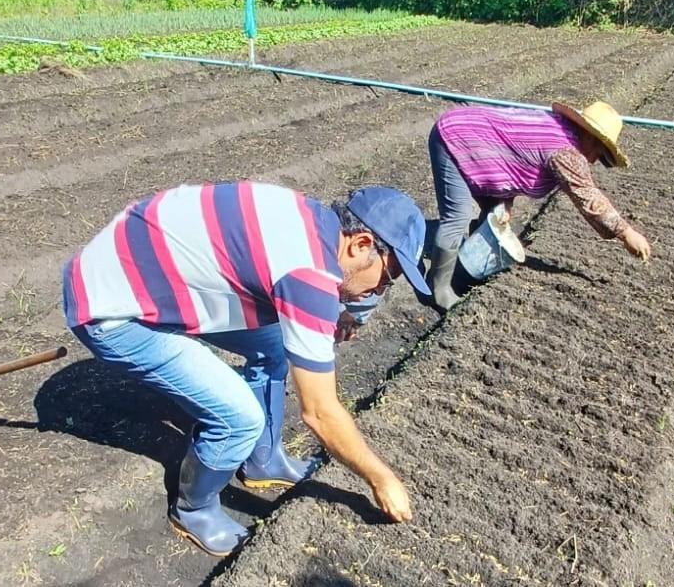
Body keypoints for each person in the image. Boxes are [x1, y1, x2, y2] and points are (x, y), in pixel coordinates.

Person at [62, 181, 431, 556]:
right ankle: (195, 510)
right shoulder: (308, 274)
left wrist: (332, 315)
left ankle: (263, 461)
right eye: (388, 277)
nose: (378, 290)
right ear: (361, 244)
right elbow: (320, 413)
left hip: (147, 265)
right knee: (239, 419)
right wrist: (381, 478)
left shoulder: (315, 223)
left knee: (272, 348)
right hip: (109, 306)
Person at [426, 100, 652, 309]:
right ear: (591, 137)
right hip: (454, 138)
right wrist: (626, 232)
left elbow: (513, 156)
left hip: (471, 138)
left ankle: (465, 270)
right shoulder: (565, 152)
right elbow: (588, 195)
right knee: (457, 217)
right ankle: (439, 291)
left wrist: (506, 202)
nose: (593, 161)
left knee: (493, 215)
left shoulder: (559, 131)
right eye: (599, 155)